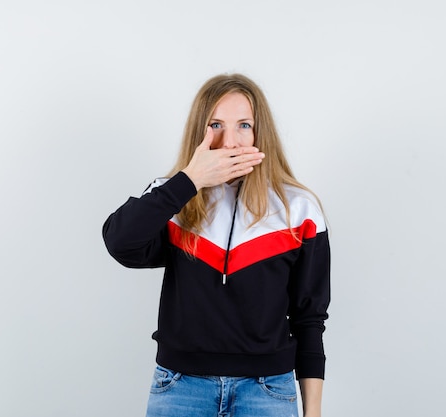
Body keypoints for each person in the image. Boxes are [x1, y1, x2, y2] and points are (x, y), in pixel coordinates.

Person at [102, 74, 330, 417]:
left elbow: (309, 318)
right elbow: (121, 242)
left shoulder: (299, 210)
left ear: (260, 132)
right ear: (200, 132)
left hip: (267, 391)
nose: (230, 141)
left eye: (244, 125)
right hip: (180, 387)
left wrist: (313, 413)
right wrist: (190, 180)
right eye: (216, 125)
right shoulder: (173, 197)